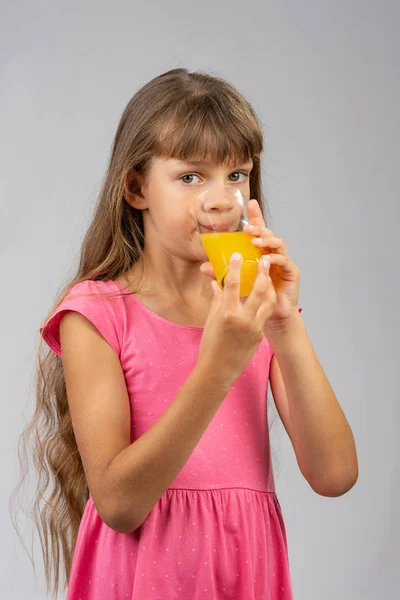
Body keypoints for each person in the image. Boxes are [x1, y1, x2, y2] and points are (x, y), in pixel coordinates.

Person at [16, 68, 358, 599]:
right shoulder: (98, 313)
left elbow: (335, 475)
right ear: (136, 188)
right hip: (142, 577)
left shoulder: (253, 309)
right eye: (190, 177)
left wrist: (286, 325)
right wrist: (219, 366)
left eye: (237, 175)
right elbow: (120, 504)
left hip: (244, 571)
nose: (222, 200)